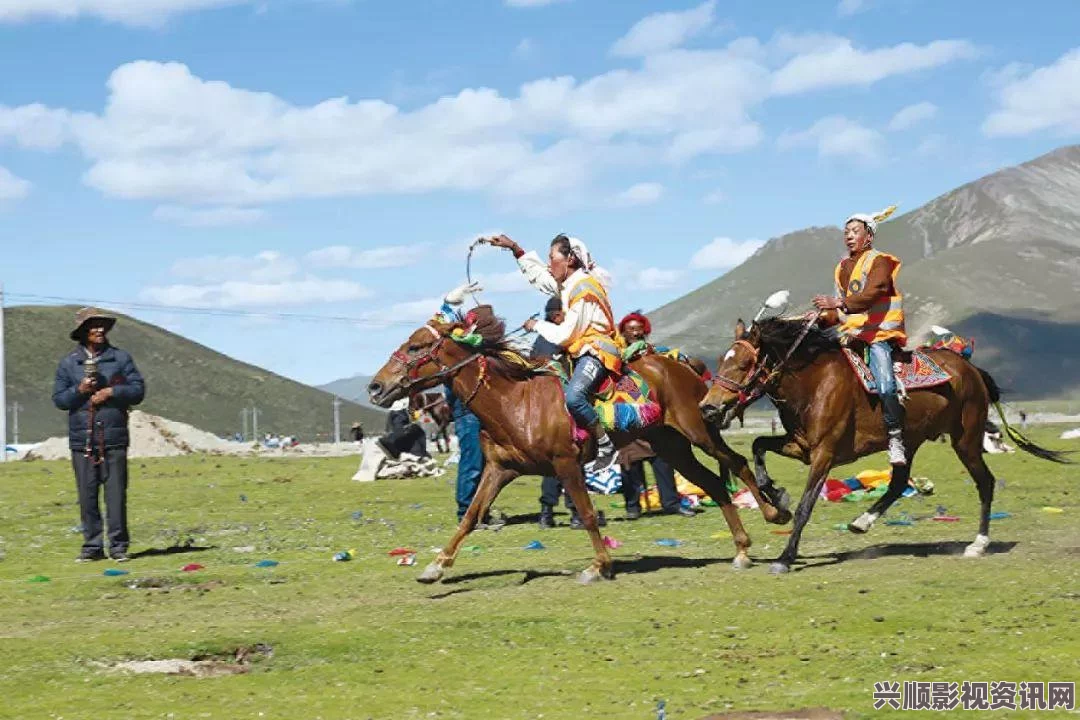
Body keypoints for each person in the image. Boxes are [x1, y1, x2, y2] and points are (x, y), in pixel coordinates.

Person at [486, 233, 621, 475]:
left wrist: (536, 326)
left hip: (595, 350)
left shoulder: (584, 289)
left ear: (569, 259)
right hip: (577, 350)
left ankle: (605, 445)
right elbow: (542, 279)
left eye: (552, 258)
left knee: (573, 398)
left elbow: (565, 335)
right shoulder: (568, 285)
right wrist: (515, 248)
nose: (549, 265)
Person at [813, 205, 908, 466]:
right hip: (850, 334)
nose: (849, 236)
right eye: (846, 232)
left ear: (869, 236)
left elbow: (874, 292)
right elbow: (840, 307)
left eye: (855, 231)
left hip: (879, 334)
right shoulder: (841, 267)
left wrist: (838, 304)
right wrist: (821, 316)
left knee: (886, 384)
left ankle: (895, 438)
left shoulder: (881, 261)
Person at [52, 308, 145, 563]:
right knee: (87, 494)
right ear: (83, 331)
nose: (100, 330)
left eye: (103, 325)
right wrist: (79, 390)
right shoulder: (68, 363)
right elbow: (60, 400)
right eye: (94, 325)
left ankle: (118, 547)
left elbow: (138, 390)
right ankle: (92, 547)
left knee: (116, 494)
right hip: (82, 440)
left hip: (114, 438)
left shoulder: (121, 359)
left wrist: (112, 393)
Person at [436, 283, 504, 529]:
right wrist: (450, 302)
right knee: (473, 460)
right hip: (467, 409)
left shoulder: (476, 343)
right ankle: (467, 512)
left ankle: (479, 511)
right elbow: (441, 325)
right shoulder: (463, 343)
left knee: (486, 462)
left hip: (483, 410)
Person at [614, 311, 694, 519]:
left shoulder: (655, 353)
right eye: (631, 330)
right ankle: (632, 507)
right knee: (629, 462)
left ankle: (671, 503)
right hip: (629, 413)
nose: (635, 333)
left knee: (663, 460)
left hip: (653, 414)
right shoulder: (616, 355)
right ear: (623, 332)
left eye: (639, 330)